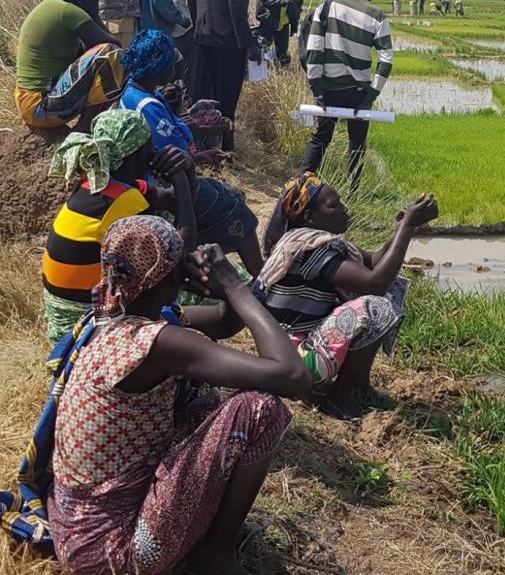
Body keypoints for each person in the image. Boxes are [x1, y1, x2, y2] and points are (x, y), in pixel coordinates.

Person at [47, 215, 310, 575]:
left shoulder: (111, 316)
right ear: (168, 276)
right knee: (260, 409)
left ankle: (204, 536)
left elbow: (224, 322)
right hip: (114, 552)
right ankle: (214, 555)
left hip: (76, 528)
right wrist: (235, 286)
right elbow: (293, 376)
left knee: (210, 397)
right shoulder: (157, 342)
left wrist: (221, 290)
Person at [257, 172, 438, 418]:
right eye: (334, 205)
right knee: (376, 307)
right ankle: (338, 397)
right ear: (309, 217)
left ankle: (358, 387)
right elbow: (375, 283)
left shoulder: (314, 240)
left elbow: (372, 262)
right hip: (292, 362)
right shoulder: (312, 249)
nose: (344, 209)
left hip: (292, 352)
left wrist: (401, 229)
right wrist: (407, 228)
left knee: (392, 288)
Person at [43, 109, 196, 341]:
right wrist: (181, 180)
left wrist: (188, 168)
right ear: (138, 154)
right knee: (194, 282)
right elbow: (182, 252)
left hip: (60, 314)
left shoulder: (98, 182)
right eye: (150, 146)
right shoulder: (125, 200)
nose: (155, 151)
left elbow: (173, 201)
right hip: (86, 321)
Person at [120, 29, 264, 275]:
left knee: (230, 193)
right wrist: (198, 151)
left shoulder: (135, 92)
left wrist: (199, 156)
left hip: (156, 176)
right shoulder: (148, 106)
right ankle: (261, 277)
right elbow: (174, 155)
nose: (177, 66)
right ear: (160, 68)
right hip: (163, 186)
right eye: (172, 62)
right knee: (235, 208)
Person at [299, 0, 393, 189]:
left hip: (328, 89)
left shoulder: (326, 6)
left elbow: (313, 51)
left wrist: (317, 91)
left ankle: (301, 185)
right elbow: (386, 61)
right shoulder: (377, 16)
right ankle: (352, 191)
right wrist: (369, 98)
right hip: (358, 92)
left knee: (321, 138)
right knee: (357, 143)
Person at [14, 0, 127, 130]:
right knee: (111, 53)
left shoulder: (50, 7)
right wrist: (94, 14)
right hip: (41, 107)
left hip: (28, 104)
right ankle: (84, 129)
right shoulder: (68, 11)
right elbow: (114, 44)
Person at [187, 0, 261, 152]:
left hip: (201, 39)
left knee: (203, 99)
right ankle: (225, 151)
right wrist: (248, 44)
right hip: (228, 43)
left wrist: (198, 24)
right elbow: (236, 5)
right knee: (226, 101)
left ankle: (202, 148)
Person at [255, 0, 303, 67]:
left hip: (284, 25)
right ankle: (263, 74)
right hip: (268, 21)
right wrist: (283, 2)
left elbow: (299, 4)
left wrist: (294, 23)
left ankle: (280, 72)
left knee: (282, 56)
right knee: (262, 52)